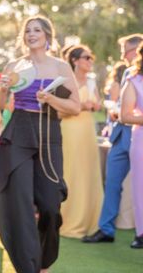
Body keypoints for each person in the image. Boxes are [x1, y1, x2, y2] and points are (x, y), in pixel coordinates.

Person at [0, 15, 80, 273]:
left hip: (48, 133)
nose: (31, 34)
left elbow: (76, 106)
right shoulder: (14, 65)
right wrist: (3, 89)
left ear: (47, 36)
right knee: (19, 202)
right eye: (27, 30)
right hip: (17, 132)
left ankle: (42, 260)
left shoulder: (61, 67)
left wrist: (51, 99)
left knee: (50, 205)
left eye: (37, 30)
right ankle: (28, 266)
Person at [83, 34, 143, 244]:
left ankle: (140, 233)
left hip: (139, 136)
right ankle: (106, 229)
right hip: (120, 135)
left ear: (136, 51)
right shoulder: (128, 73)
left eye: (125, 50)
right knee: (112, 183)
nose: (122, 55)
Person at [59, 45, 103, 239]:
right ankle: (67, 220)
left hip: (87, 131)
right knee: (71, 172)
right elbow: (59, 110)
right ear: (75, 60)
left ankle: (91, 222)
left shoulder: (93, 82)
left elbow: (98, 103)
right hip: (70, 130)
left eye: (91, 58)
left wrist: (94, 106)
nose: (90, 61)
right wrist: (81, 106)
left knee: (89, 173)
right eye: (86, 57)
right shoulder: (67, 81)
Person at [119, 43, 143, 248]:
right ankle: (142, 233)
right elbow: (125, 115)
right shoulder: (133, 81)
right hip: (141, 140)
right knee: (141, 186)